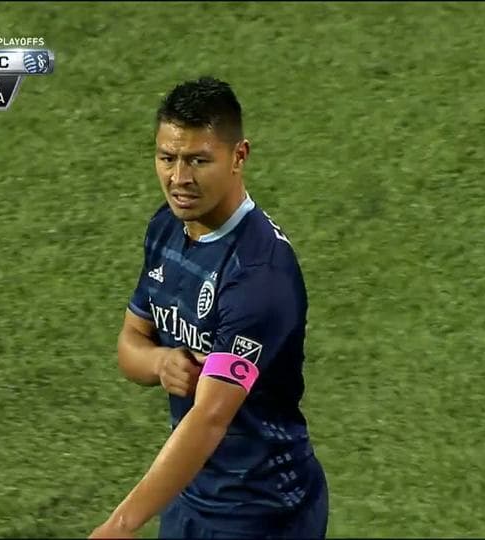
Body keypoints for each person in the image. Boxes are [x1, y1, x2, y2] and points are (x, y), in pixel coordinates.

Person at [89, 77, 328, 539]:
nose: (179, 178)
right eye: (167, 158)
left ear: (239, 156)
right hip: (189, 495)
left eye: (198, 160)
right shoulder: (166, 228)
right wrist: (161, 363)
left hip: (262, 512)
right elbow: (130, 343)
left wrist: (121, 523)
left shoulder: (259, 274)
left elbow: (211, 416)